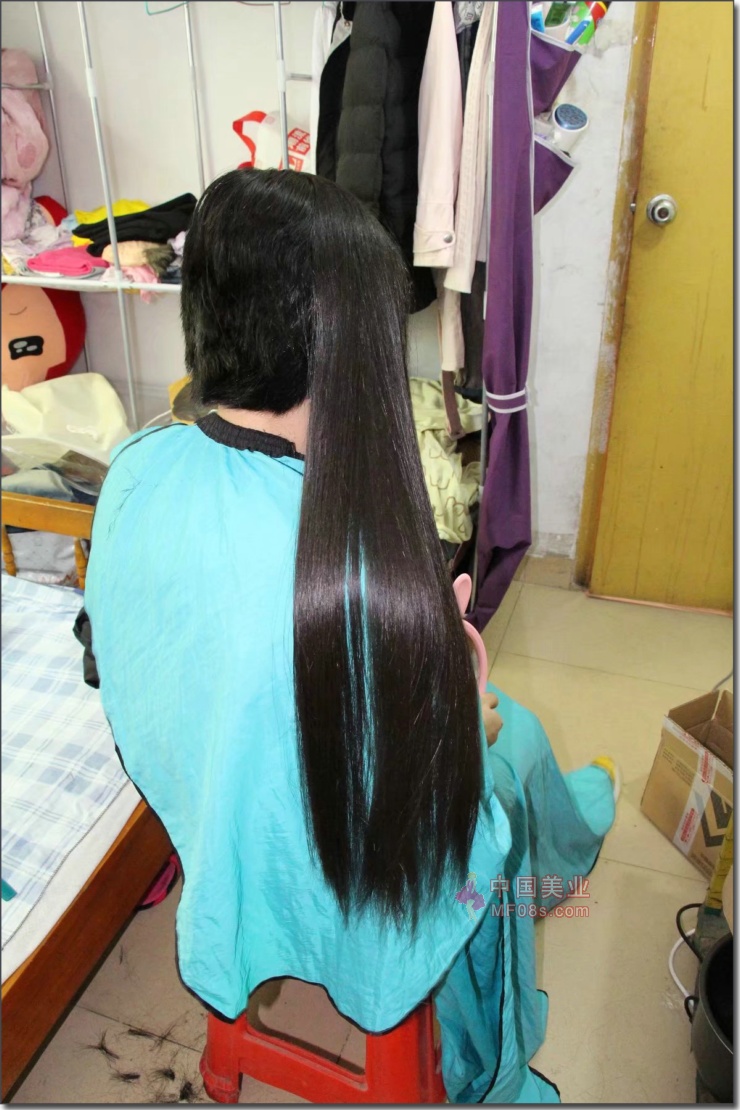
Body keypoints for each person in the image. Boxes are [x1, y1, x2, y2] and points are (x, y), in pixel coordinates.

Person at [82, 168, 617, 1103]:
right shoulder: (356, 564)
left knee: (510, 740)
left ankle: (560, 832)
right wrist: (469, 699)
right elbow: (432, 774)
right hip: (349, 859)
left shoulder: (135, 463)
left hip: (209, 805)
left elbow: (122, 652)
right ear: (351, 340)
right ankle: (550, 872)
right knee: (519, 741)